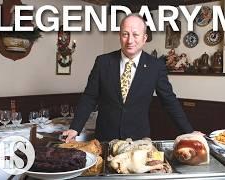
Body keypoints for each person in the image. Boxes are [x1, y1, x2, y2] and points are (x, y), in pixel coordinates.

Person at [63, 14, 193, 142]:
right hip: (105, 139)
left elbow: (169, 101)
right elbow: (89, 97)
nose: (130, 40)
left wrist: (189, 132)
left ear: (144, 38)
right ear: (120, 36)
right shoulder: (103, 62)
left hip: (138, 140)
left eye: (135, 35)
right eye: (125, 34)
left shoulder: (156, 66)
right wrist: (75, 128)